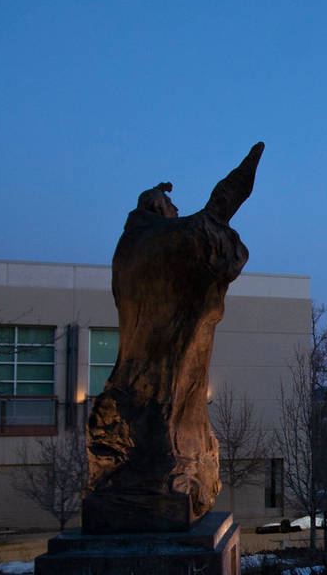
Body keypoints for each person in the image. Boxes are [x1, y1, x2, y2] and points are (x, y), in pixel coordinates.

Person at [81, 142, 263, 532]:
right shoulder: (148, 242)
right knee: (163, 426)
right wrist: (222, 206)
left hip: (150, 371)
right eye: (170, 208)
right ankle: (164, 477)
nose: (176, 213)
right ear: (157, 210)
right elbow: (194, 232)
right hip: (157, 370)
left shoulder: (131, 244)